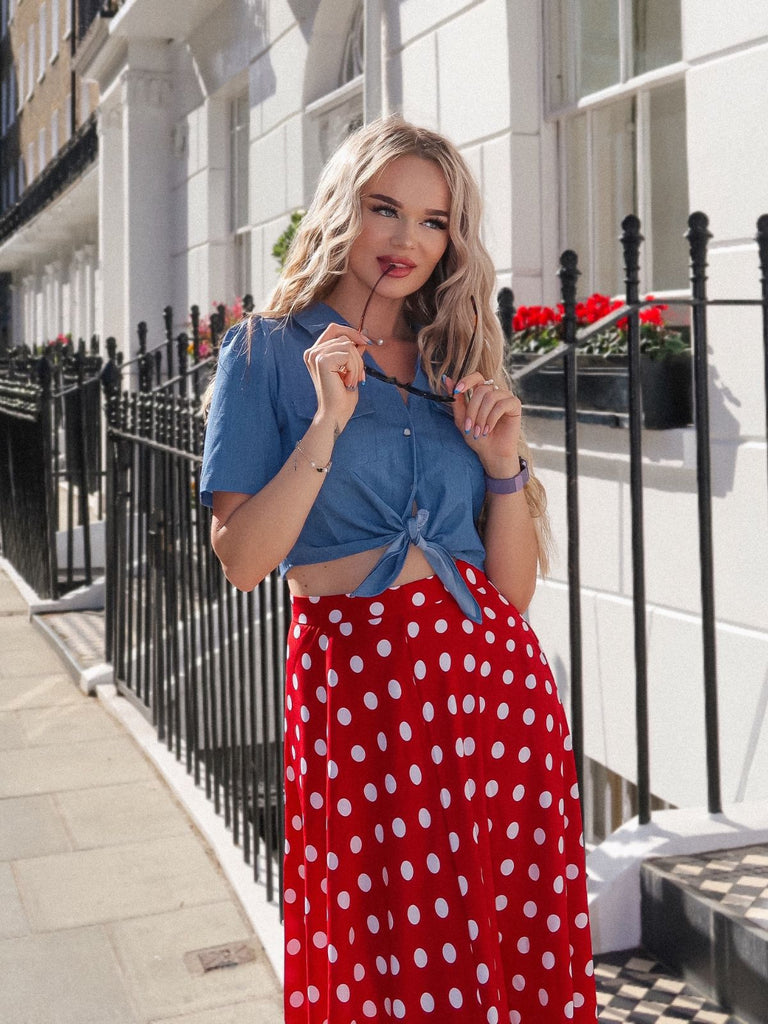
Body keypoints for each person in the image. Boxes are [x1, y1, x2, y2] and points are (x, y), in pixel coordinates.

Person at [200, 115, 597, 1024]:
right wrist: (325, 424)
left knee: (503, 952)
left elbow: (514, 595)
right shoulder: (265, 351)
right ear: (346, 209)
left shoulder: (456, 355)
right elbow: (242, 561)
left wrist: (505, 466)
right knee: (389, 960)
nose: (407, 240)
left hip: (494, 698)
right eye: (387, 209)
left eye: (433, 221)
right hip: (365, 694)